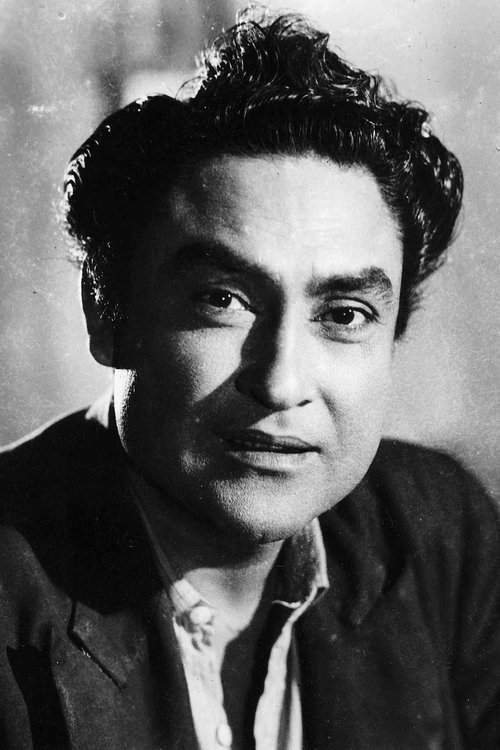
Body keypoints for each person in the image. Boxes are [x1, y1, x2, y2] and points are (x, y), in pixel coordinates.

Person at [0, 8, 498, 749]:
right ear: (109, 314)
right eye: (222, 300)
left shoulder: (440, 533)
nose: (281, 383)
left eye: (345, 314)